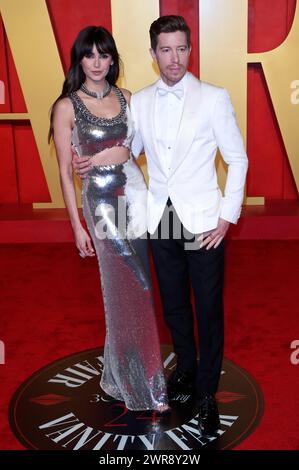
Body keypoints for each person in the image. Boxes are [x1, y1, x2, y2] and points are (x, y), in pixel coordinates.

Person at [73, 16, 248, 437]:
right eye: (165, 50)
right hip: (162, 217)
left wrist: (227, 216)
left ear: (191, 49)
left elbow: (237, 159)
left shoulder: (214, 97)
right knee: (173, 306)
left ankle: (206, 393)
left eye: (181, 48)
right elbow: (129, 152)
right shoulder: (142, 101)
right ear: (153, 55)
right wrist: (92, 159)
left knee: (207, 309)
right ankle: (185, 371)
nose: (174, 58)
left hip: (205, 220)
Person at [49, 25, 169, 413]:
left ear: (113, 59)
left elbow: (132, 152)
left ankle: (117, 377)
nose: (97, 63)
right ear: (79, 60)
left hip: (134, 195)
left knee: (136, 289)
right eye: (90, 55)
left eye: (104, 55)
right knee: (130, 288)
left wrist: (105, 156)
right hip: (100, 203)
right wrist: (76, 225)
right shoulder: (67, 106)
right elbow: (66, 173)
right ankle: (141, 386)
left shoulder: (128, 97)